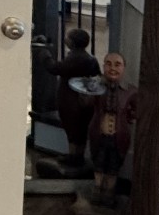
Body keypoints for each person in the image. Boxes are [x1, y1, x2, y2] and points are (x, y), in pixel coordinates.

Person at [34, 27, 101, 168]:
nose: (65, 39)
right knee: (80, 129)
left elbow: (55, 68)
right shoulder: (90, 58)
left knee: (72, 128)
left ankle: (74, 156)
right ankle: (77, 155)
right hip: (83, 98)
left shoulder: (75, 58)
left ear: (73, 42)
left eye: (68, 37)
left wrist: (44, 52)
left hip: (71, 99)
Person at [85, 51, 137, 205]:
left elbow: (136, 109)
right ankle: (97, 188)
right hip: (99, 134)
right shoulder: (97, 87)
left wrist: (129, 117)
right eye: (108, 64)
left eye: (117, 64)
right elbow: (86, 105)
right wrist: (89, 90)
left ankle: (109, 191)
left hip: (118, 136)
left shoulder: (130, 91)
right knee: (98, 162)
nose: (112, 68)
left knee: (114, 164)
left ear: (124, 68)